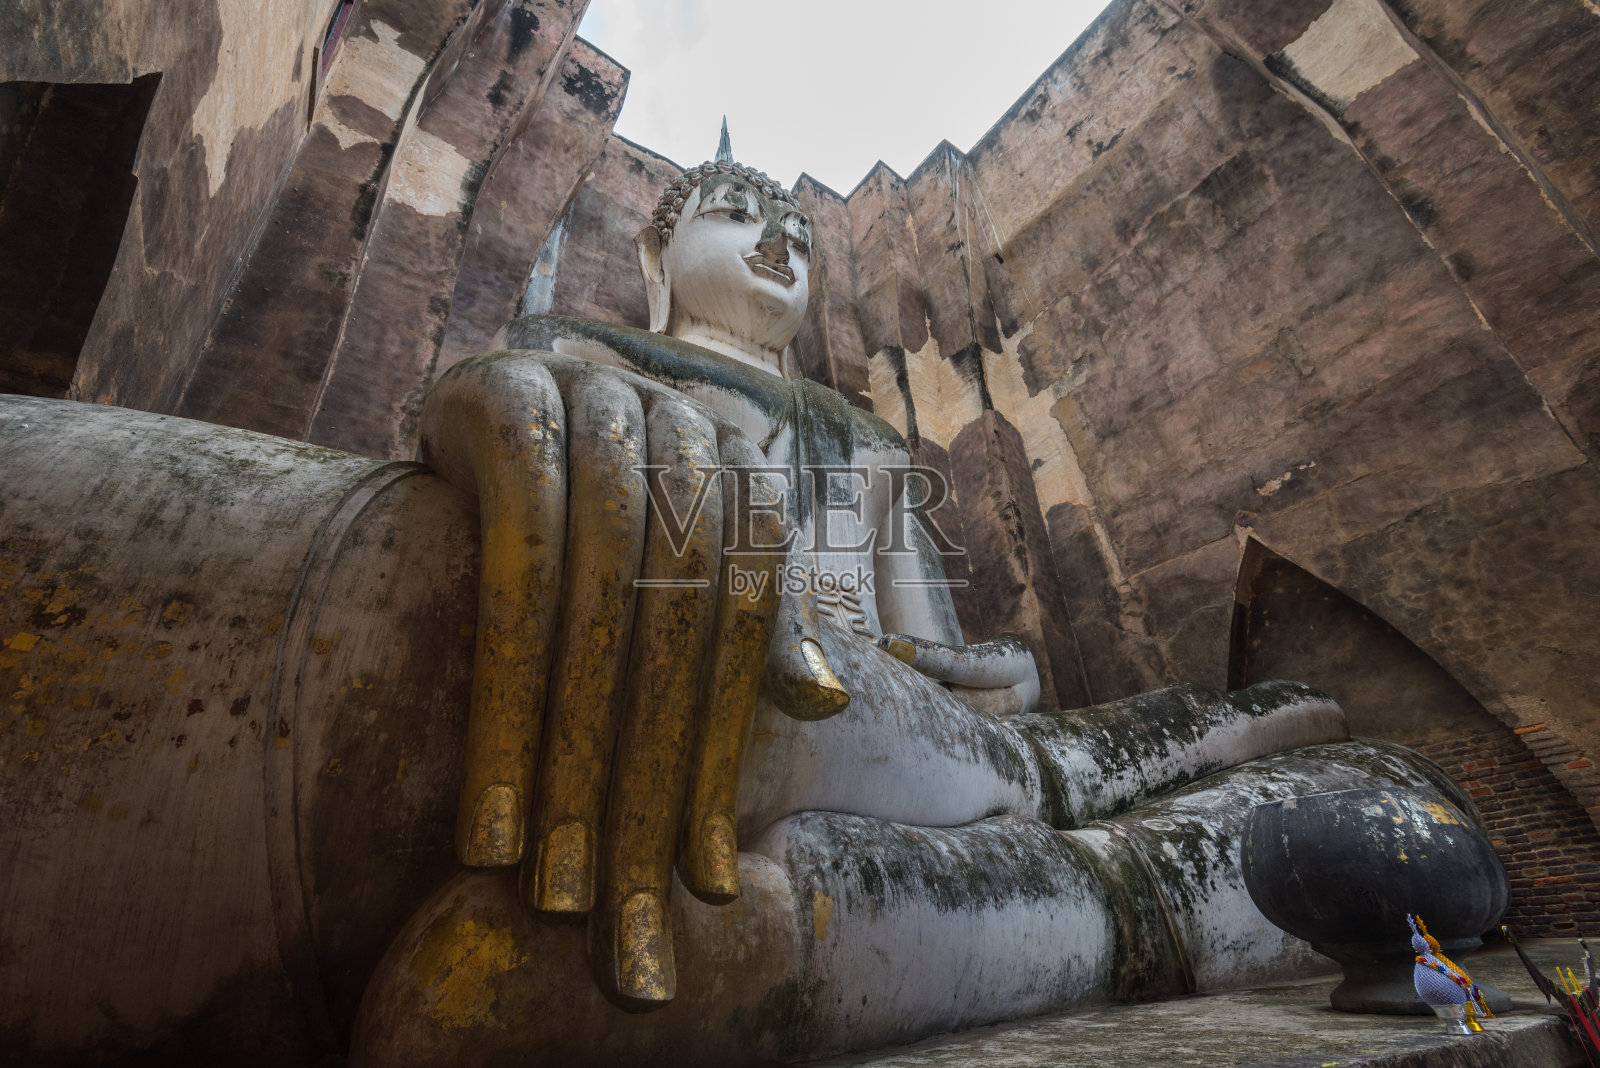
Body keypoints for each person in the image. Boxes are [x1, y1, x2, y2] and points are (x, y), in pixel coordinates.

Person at [343, 154, 1473, 1065]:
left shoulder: (869, 443)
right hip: (733, 685)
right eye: (736, 215)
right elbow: (487, 466)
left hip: (930, 733)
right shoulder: (584, 358)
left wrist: (978, 674)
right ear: (657, 251)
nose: (777, 240)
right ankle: (1082, 863)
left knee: (1310, 723)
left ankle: (1082, 803)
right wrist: (508, 413)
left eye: (793, 229)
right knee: (848, 728)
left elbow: (927, 648)